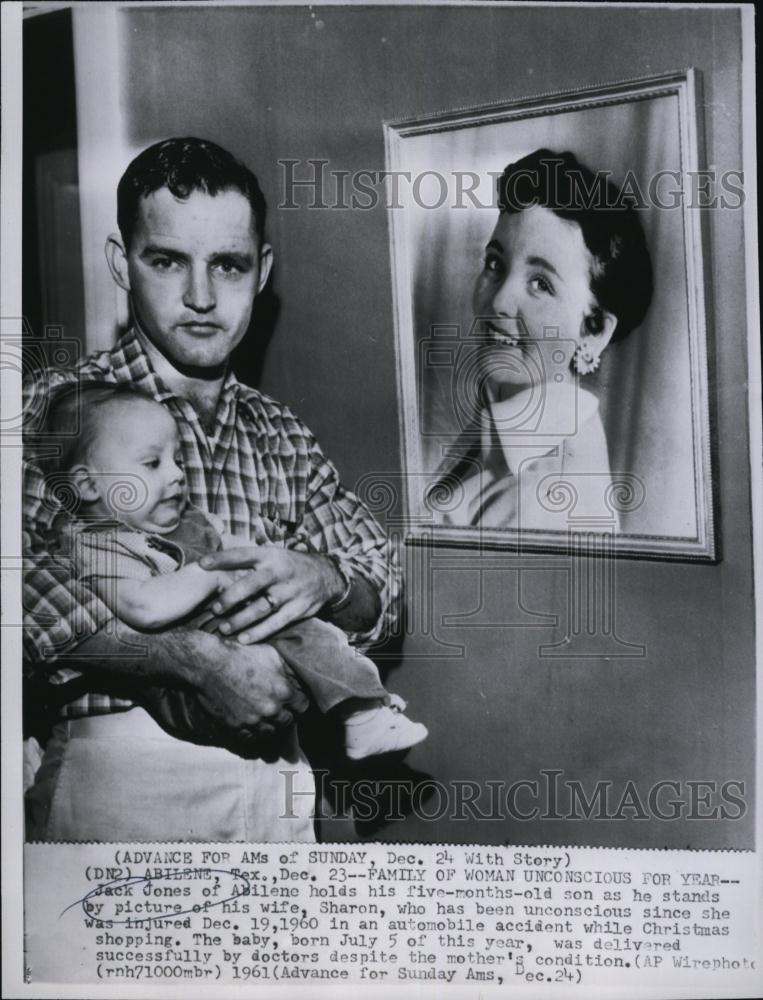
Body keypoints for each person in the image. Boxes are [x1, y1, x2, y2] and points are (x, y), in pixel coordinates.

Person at [23, 137, 402, 842]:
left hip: (279, 787)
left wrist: (324, 577)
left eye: (226, 265)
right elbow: (17, 589)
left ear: (259, 272)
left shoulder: (280, 431)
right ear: (121, 263)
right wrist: (186, 662)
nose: (200, 296)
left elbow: (381, 579)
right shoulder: (56, 410)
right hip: (127, 784)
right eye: (167, 261)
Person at [47, 382, 426, 760]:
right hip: (153, 733)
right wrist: (211, 573)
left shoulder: (197, 510)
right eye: (152, 463)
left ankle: (361, 715)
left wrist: (290, 569)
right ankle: (360, 713)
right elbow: (141, 607)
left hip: (264, 718)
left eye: (178, 460)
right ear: (87, 484)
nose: (178, 474)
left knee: (313, 634)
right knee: (303, 644)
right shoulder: (96, 544)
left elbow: (376, 573)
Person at [432, 148, 653, 532]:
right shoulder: (499, 425)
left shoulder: (546, 498)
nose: (499, 301)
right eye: (495, 264)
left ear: (593, 330)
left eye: (541, 284)